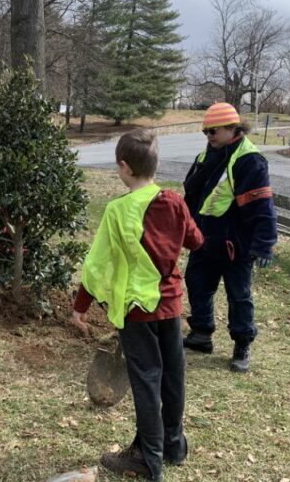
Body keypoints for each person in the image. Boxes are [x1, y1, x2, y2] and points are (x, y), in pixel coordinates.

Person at [72, 128, 203, 481]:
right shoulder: (174, 201)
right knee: (173, 376)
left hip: (136, 312)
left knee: (146, 380)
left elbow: (97, 265)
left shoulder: (117, 211)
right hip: (171, 306)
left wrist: (80, 305)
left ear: (124, 167)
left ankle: (148, 458)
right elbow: (196, 239)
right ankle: (173, 445)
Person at [182, 102, 277, 373]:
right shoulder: (206, 156)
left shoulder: (249, 160)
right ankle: (201, 334)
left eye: (214, 131)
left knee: (239, 296)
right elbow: (193, 197)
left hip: (237, 245)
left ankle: (242, 344)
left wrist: (264, 245)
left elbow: (263, 206)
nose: (209, 136)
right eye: (206, 132)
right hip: (204, 239)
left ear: (232, 128)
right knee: (197, 284)